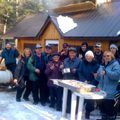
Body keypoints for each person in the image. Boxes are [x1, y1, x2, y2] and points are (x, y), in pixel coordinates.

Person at [96, 51, 120, 120]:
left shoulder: (116, 64)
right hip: (101, 92)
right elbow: (99, 79)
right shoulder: (102, 65)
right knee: (102, 111)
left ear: (112, 57)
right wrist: (96, 76)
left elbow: (117, 76)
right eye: (104, 56)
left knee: (110, 113)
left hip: (110, 94)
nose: (106, 57)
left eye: (108, 56)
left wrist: (107, 72)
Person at [78, 50, 100, 119]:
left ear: (92, 57)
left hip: (92, 84)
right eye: (87, 56)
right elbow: (79, 72)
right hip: (83, 83)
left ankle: (87, 112)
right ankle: (79, 111)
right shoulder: (82, 63)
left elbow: (97, 76)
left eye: (90, 56)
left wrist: (92, 83)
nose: (88, 57)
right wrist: (83, 80)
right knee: (82, 97)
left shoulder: (96, 65)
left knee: (90, 100)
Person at [63, 47, 81, 113]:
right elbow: (63, 70)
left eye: (73, 53)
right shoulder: (65, 60)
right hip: (66, 80)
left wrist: (76, 71)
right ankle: (68, 109)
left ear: (76, 53)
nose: (71, 54)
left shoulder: (79, 60)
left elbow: (80, 70)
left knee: (75, 96)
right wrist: (62, 69)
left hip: (75, 81)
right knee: (67, 96)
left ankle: (75, 110)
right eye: (70, 53)